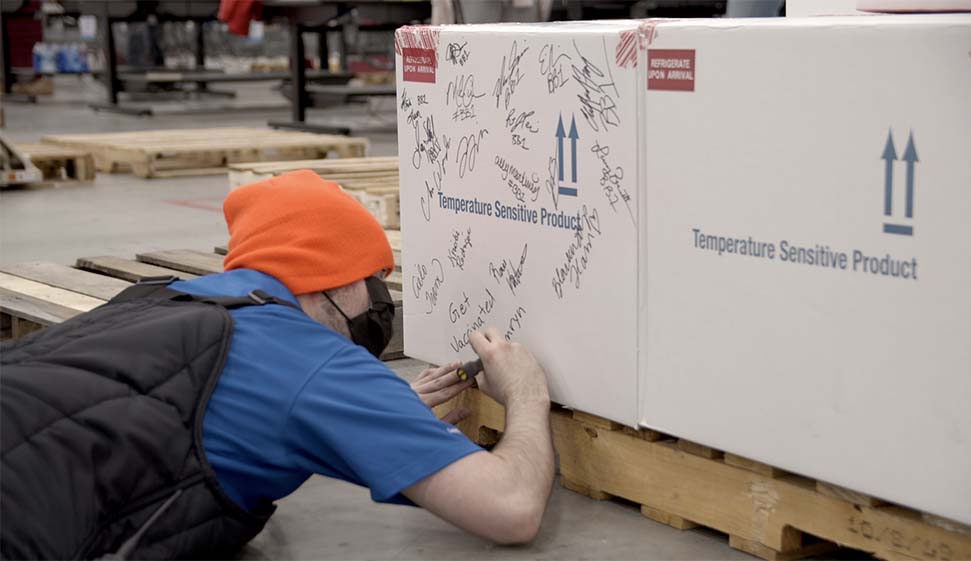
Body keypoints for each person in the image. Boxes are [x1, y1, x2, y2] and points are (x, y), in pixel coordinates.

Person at [0, 170, 555, 560]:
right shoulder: (308, 361)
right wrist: (527, 395)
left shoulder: (158, 298)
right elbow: (509, 509)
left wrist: (374, 418)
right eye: (373, 280)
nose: (379, 301)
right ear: (331, 277)